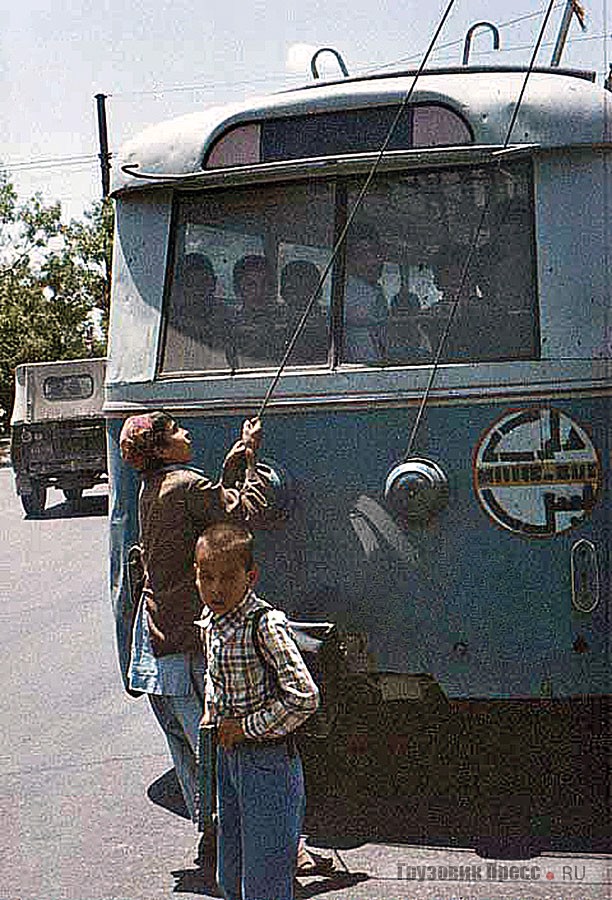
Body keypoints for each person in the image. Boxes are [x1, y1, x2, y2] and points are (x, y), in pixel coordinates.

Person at [119, 411, 265, 867]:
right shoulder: (187, 485)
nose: (188, 434)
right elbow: (245, 511)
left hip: (158, 636)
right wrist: (253, 458)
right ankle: (234, 836)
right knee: (217, 738)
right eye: (178, 432)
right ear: (162, 449)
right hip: (189, 635)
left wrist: (231, 464)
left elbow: (199, 511)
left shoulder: (153, 487)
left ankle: (210, 828)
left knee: (186, 742)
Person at [195, 521, 320, 900]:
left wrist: (247, 728)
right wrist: (212, 710)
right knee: (230, 874)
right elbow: (218, 675)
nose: (216, 589)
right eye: (207, 577)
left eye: (228, 578)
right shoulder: (211, 620)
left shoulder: (264, 625)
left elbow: (304, 696)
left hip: (268, 764)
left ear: (250, 577)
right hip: (228, 760)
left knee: (264, 881)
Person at [227, 254, 284, 370]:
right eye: (251, 285)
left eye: (266, 284)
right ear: (238, 289)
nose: (260, 292)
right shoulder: (227, 329)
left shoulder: (288, 326)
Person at [343, 225, 389, 363]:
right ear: (348, 260)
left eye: (377, 254)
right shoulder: (348, 296)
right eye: (363, 255)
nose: (374, 261)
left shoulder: (375, 291)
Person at [279, 260, 327, 365]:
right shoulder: (275, 327)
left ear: (319, 292)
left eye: (306, 287)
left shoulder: (332, 328)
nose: (300, 295)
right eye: (292, 288)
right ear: (282, 293)